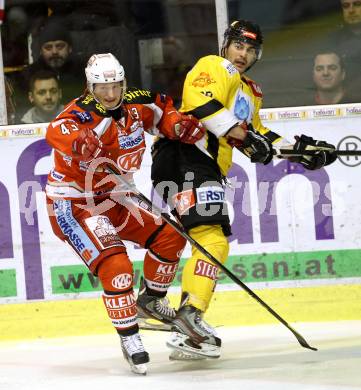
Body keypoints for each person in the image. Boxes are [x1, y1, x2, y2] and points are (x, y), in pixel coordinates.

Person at [151, 20, 337, 360]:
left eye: (250, 50)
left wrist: (304, 152)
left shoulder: (250, 92)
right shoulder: (214, 65)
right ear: (226, 46)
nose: (243, 54)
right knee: (212, 239)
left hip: (199, 166)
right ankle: (189, 317)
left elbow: (258, 137)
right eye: (239, 46)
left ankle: (180, 322)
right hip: (185, 156)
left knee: (204, 239)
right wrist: (244, 136)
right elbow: (202, 105)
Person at [45, 53, 205, 374]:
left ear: (123, 82)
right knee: (116, 265)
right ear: (90, 88)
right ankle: (130, 336)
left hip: (119, 195)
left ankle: (150, 301)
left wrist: (177, 125)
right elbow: (56, 129)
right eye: (102, 88)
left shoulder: (135, 104)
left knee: (171, 238)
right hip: (77, 203)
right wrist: (78, 141)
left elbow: (164, 112)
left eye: (115, 85)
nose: (110, 94)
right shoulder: (81, 114)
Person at [21, 19, 84, 105]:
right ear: (41, 51)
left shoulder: (84, 71)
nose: (54, 52)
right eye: (48, 47)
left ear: (70, 48)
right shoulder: (29, 75)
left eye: (59, 46)